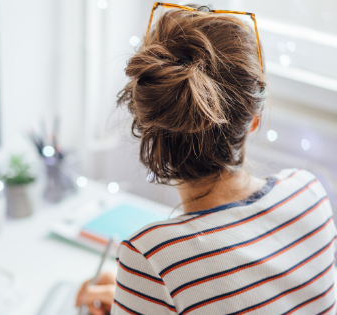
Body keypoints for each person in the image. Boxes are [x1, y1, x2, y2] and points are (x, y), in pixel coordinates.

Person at [76, 4, 336, 315]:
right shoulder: (310, 193)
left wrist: (131, 297)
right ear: (254, 119)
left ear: (146, 122)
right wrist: (136, 296)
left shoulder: (151, 257)